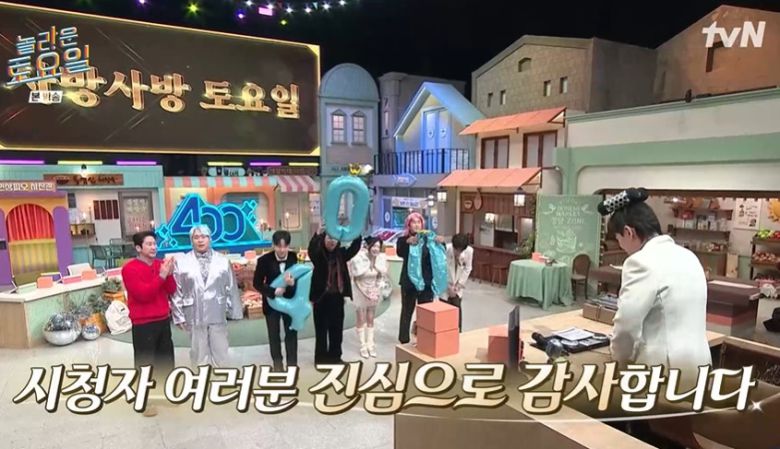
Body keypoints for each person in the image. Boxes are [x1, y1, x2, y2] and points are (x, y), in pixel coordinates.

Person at [600, 188, 711, 388]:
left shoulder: (640, 262)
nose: (621, 246)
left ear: (629, 232)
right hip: (699, 368)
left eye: (618, 239)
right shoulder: (689, 256)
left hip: (662, 374)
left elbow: (627, 326)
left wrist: (619, 360)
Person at [171, 225, 243, 368]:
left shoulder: (223, 260)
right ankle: (202, 379)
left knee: (221, 351)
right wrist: (178, 315)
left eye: (204, 236)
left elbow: (231, 286)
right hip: (194, 312)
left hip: (217, 310)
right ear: (191, 240)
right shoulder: (181, 262)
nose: (200, 240)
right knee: (198, 353)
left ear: (210, 239)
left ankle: (222, 378)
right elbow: (177, 290)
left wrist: (235, 311)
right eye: (196, 237)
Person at [122, 231, 176, 418]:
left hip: (163, 319)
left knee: (166, 360)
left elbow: (171, 290)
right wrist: (161, 276)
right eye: (149, 244)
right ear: (138, 248)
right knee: (146, 363)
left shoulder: (161, 264)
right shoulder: (130, 269)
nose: (154, 247)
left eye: (154, 244)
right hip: (143, 323)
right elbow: (143, 295)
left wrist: (169, 274)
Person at [308, 226, 362, 364]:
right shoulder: (318, 254)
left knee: (336, 330)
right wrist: (317, 234)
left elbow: (355, 248)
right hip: (321, 298)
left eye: (335, 239)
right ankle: (320, 359)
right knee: (321, 331)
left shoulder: (341, 254)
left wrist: (356, 232)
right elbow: (311, 249)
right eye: (329, 238)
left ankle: (335, 357)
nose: (332, 241)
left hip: (337, 298)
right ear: (324, 238)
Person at [253, 230, 298, 371]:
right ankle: (278, 366)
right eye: (279, 246)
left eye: (285, 246)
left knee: (291, 335)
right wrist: (273, 291)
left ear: (289, 246)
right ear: (273, 245)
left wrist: (292, 284)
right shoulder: (263, 260)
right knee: (274, 336)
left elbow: (298, 278)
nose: (282, 250)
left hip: (289, 303)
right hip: (271, 304)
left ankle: (292, 366)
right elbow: (257, 283)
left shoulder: (293, 257)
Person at [396, 212, 445, 344]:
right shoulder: (403, 240)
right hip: (409, 283)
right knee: (407, 311)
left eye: (419, 222)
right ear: (409, 225)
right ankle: (404, 340)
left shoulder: (429, 238)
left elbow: (440, 253)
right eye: (414, 222)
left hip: (426, 283)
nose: (417, 225)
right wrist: (407, 242)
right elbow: (400, 252)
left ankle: (422, 338)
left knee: (425, 312)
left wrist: (441, 242)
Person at [348, 236, 389, 358]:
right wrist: (363, 291)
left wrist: (377, 288)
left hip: (373, 291)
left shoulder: (380, 260)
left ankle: (370, 344)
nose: (376, 249)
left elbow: (380, 276)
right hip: (360, 291)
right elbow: (355, 277)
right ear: (368, 246)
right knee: (361, 318)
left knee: (371, 318)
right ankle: (363, 345)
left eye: (378, 247)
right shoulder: (359, 259)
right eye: (374, 246)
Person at [440, 233, 473, 332]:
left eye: (460, 250)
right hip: (445, 286)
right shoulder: (445, 249)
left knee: (456, 313)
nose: (458, 252)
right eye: (456, 250)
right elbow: (440, 270)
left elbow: (468, 268)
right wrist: (448, 286)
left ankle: (458, 334)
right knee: (443, 314)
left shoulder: (469, 251)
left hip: (457, 288)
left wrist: (458, 285)